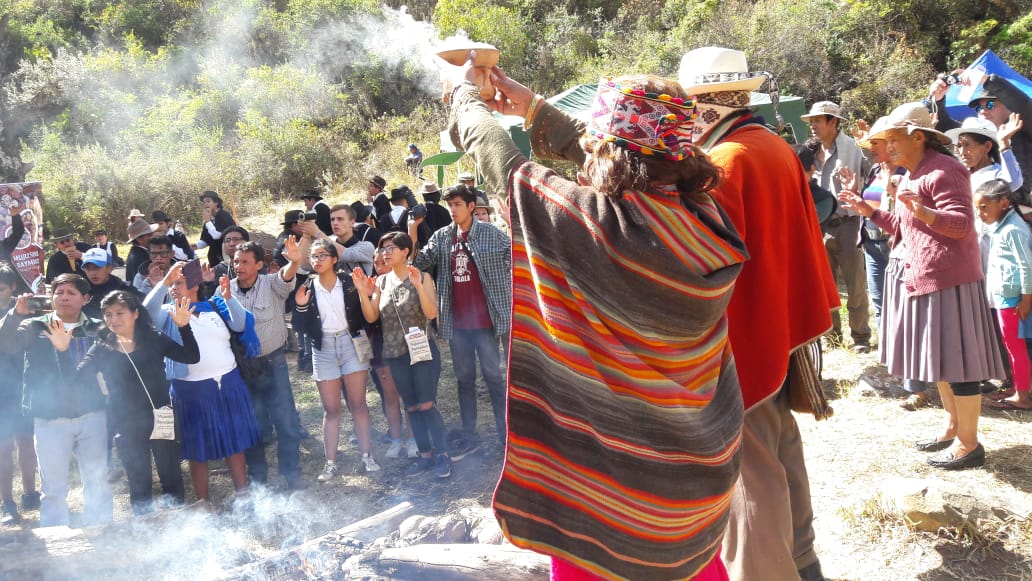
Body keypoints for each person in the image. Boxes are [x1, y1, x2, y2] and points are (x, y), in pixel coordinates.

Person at [440, 52, 749, 578]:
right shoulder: (705, 223)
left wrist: (464, 97)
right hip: (692, 487)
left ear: (607, 153)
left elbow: (505, 168)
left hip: (608, 497)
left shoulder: (597, 227)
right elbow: (632, 152)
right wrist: (535, 108)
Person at [678, 46, 839, 581]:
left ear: (706, 105)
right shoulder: (768, 144)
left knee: (748, 471)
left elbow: (700, 258)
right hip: (778, 319)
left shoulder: (725, 161)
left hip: (745, 332)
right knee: (779, 445)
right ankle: (802, 560)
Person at [839, 101, 1007, 471]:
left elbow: (962, 225)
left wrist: (924, 211)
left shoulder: (945, 170)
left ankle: (969, 444)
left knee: (958, 364)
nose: (887, 149)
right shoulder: (913, 174)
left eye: (894, 140)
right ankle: (951, 428)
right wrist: (868, 211)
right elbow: (905, 229)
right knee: (942, 362)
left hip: (947, 281)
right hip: (921, 277)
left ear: (918, 137)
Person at [61, 292, 199, 514]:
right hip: (125, 422)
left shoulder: (153, 338)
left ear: (135, 314)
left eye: (119, 313)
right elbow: (75, 380)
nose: (113, 319)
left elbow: (191, 357)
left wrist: (184, 327)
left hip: (160, 416)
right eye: (108, 314)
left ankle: (177, 530)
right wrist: (62, 351)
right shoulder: (102, 346)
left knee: (171, 478)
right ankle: (143, 536)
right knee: (139, 483)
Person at [144, 262, 261, 504]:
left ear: (195, 285)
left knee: (235, 443)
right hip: (191, 391)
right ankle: (203, 502)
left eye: (179, 283)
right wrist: (164, 281)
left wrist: (229, 298)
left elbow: (240, 324)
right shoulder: (168, 312)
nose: (174, 288)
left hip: (229, 386)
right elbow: (144, 315)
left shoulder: (214, 306)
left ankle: (243, 494)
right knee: (198, 449)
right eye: (171, 284)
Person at [0, 274, 111, 527]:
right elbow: (4, 345)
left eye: (71, 293)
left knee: (96, 479)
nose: (64, 297)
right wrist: (16, 315)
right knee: (52, 487)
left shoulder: (96, 327)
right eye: (59, 292)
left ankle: (102, 530)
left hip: (91, 413)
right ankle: (55, 532)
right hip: (49, 416)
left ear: (85, 299)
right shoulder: (34, 326)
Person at [410, 184, 511, 456]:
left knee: (494, 378)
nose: (453, 210)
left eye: (457, 204)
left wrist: (516, 227)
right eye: (450, 205)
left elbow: (518, 258)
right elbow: (418, 264)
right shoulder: (443, 237)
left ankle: (506, 434)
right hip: (457, 325)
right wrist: (411, 231)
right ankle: (470, 433)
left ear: (470, 207)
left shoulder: (492, 234)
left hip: (487, 323)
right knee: (464, 380)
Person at [352, 233, 449, 479]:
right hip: (395, 353)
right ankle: (425, 456)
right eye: (383, 248)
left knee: (427, 404)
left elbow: (431, 312)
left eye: (391, 248)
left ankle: (443, 456)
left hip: (422, 350)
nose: (385, 252)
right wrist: (364, 292)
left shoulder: (422, 276)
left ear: (406, 251)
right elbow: (372, 316)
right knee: (413, 407)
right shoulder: (382, 282)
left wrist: (418, 286)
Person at [292, 238, 380, 479]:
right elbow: (300, 326)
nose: (317, 260)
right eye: (313, 256)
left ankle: (367, 455)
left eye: (322, 255)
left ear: (334, 259)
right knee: (331, 410)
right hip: (323, 348)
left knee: (358, 404)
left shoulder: (349, 282)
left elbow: (367, 317)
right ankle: (330, 462)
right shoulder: (307, 287)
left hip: (352, 343)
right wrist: (300, 306)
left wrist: (367, 294)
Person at [232, 239, 307, 489]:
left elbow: (286, 276)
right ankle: (258, 480)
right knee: (254, 425)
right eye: (235, 261)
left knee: (285, 421)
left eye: (244, 261)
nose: (238, 266)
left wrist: (295, 261)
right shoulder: (226, 289)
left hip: (274, 365)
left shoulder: (271, 284)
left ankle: (290, 472)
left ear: (259, 265)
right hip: (243, 369)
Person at [802, 100, 872, 353]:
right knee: (826, 286)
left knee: (854, 284)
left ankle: (861, 337)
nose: (813, 126)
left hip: (849, 223)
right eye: (812, 121)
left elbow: (873, 171)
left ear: (834, 122)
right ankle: (832, 337)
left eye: (818, 120)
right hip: (822, 226)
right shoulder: (812, 150)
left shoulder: (853, 147)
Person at [973, 180, 1032, 411]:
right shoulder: (1000, 226)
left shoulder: (1013, 230)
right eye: (978, 207)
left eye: (985, 207)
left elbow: (1026, 266)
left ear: (1004, 203)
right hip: (1004, 297)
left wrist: (1027, 298)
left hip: (1013, 299)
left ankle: (1022, 396)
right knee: (1012, 348)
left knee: (1016, 348)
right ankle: (1020, 387)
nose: (980, 213)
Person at [932, 71, 1031, 203]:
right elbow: (945, 126)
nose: (983, 111)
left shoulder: (1023, 127)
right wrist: (939, 99)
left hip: (1019, 213)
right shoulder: (977, 133)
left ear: (1009, 106)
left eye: (990, 105)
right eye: (979, 108)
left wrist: (984, 79)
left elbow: (1023, 104)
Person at [0, 263, 38, 524]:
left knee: (26, 441)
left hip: (25, 384)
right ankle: (7, 502)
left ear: (13, 287)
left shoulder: (29, 309)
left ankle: (31, 493)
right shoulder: (16, 312)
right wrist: (14, 314)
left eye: (1, 288)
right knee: (3, 447)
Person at [946, 116, 1024, 193]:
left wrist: (1004, 143)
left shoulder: (997, 175)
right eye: (959, 146)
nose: (962, 151)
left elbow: (1013, 183)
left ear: (987, 146)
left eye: (967, 145)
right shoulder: (958, 173)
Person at [81, 248, 138, 319]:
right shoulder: (79, 292)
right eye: (88, 268)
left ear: (110, 268)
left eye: (97, 267)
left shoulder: (127, 291)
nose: (93, 273)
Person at [196, 190, 236, 268]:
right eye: (204, 202)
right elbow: (206, 240)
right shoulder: (209, 219)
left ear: (216, 203)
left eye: (208, 201)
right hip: (214, 257)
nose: (206, 204)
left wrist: (207, 221)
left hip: (227, 254)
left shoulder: (223, 216)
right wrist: (197, 245)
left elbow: (217, 236)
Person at [125, 220, 155, 288]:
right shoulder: (141, 257)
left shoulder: (136, 252)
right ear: (139, 239)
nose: (153, 236)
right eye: (150, 235)